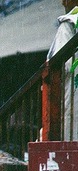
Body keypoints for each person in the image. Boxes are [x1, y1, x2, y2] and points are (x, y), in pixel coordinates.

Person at [47, 0, 78, 140]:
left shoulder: (69, 24)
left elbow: (60, 65)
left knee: (70, 129)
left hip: (71, 90)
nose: (63, 3)